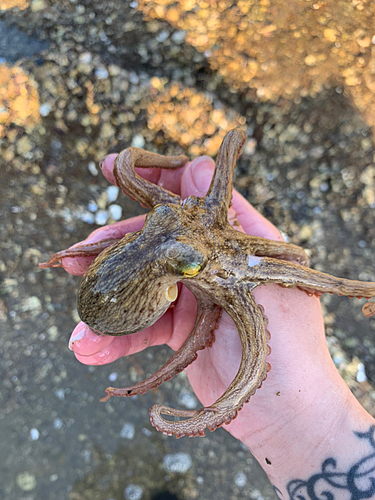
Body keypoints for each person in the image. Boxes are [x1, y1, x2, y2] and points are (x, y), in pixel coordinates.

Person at [61, 153, 375, 499]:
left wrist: (289, 421)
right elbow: (295, 256)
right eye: (159, 218)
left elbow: (129, 170)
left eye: (189, 266)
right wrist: (295, 426)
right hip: (113, 307)